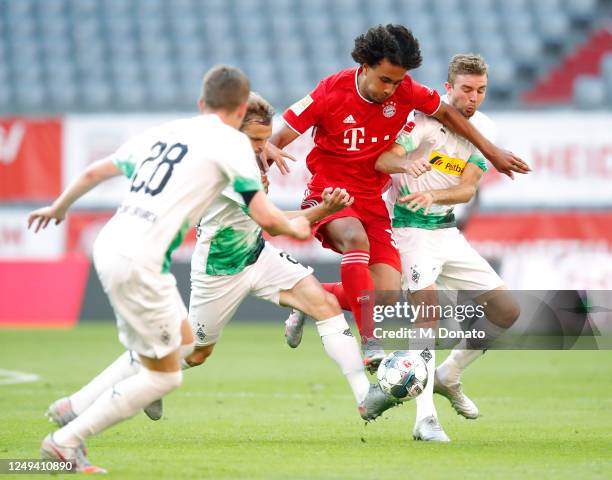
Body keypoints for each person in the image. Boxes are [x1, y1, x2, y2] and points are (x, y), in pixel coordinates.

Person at [28, 65, 311, 473]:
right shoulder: (232, 146)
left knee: (180, 343)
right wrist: (299, 225)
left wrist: (60, 207)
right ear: (238, 112)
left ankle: (74, 406)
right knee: (165, 377)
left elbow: (95, 171)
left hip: (110, 245)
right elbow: (267, 219)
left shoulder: (166, 131)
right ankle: (65, 442)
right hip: (140, 260)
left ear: (202, 103)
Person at [271, 24, 529, 371]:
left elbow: (449, 115)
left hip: (371, 197)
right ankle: (371, 344)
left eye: (397, 81)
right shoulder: (329, 91)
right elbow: (280, 136)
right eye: (385, 80)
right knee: (355, 240)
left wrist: (492, 151)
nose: (391, 89)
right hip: (330, 191)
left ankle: (309, 297)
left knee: (386, 293)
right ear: (365, 65)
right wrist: (265, 157)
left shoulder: (406, 91)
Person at [183, 92, 398, 422]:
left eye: (266, 139)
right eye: (255, 139)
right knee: (197, 354)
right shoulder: (223, 168)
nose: (261, 147)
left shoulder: (252, 161)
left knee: (323, 306)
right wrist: (324, 210)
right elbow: (272, 222)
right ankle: (146, 373)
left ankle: (364, 396)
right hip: (220, 270)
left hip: (258, 255)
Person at [375, 54, 521, 442]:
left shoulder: (482, 128)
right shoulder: (422, 121)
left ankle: (449, 373)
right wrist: (406, 167)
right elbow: (385, 157)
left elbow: (469, 186)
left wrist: (436, 195)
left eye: (481, 91)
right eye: (467, 90)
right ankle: (425, 419)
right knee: (427, 315)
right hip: (409, 228)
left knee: (506, 311)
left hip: (446, 230)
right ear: (448, 87)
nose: (473, 98)